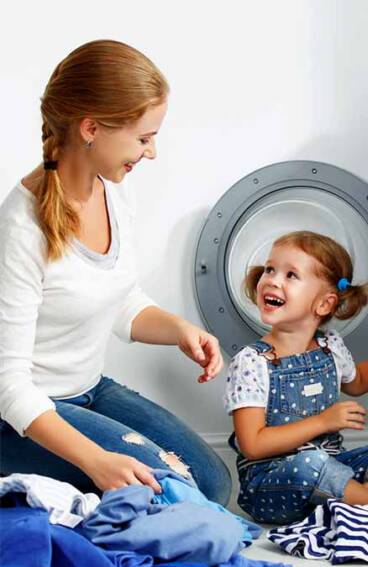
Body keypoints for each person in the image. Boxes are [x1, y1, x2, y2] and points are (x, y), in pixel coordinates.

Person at [0, 40, 231, 505]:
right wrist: (93, 459)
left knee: (213, 484)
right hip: (22, 417)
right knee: (172, 494)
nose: (151, 153)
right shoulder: (22, 228)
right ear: (91, 128)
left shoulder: (112, 192)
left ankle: (71, 495)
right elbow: (8, 385)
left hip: (89, 391)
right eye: (143, 137)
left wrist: (180, 330)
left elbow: (118, 300)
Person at [224, 230, 368, 524]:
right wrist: (322, 422)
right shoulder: (252, 361)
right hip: (273, 484)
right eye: (270, 269)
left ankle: (351, 500)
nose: (272, 279)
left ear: (324, 304)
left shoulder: (330, 346)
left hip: (333, 468)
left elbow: (359, 380)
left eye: (290, 275)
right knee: (311, 463)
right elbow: (253, 444)